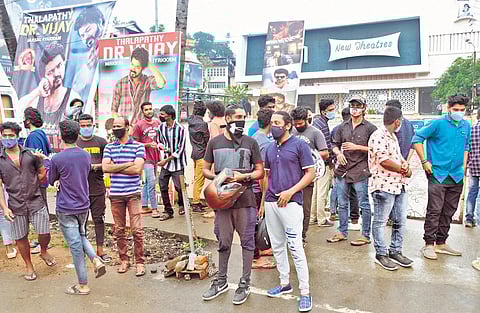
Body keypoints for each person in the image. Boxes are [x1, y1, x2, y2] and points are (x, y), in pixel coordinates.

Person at [201, 104, 264, 305]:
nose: (241, 120)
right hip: (222, 200)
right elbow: (205, 170)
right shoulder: (215, 143)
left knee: (247, 242)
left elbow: (260, 171)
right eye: (237, 116)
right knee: (224, 241)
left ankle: (244, 282)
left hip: (245, 200)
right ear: (227, 119)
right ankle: (221, 281)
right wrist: (220, 177)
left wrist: (244, 175)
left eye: (244, 117)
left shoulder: (251, 142)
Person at [263, 111, 315, 312]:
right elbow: (266, 177)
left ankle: (305, 292)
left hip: (291, 203)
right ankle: (284, 283)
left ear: (287, 125)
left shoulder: (300, 145)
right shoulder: (269, 148)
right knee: (277, 246)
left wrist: (291, 191)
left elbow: (310, 173)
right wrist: (263, 203)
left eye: (277, 122)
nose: (273, 125)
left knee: (295, 248)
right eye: (271, 122)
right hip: (271, 203)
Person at [48, 120, 106, 295]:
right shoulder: (85, 155)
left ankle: (83, 285)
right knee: (81, 236)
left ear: (60, 136)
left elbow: (51, 180)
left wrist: (49, 167)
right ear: (78, 134)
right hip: (83, 204)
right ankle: (95, 259)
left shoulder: (57, 158)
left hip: (66, 206)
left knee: (75, 245)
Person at [413, 94, 471, 260]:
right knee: (435, 210)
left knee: (448, 211)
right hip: (437, 174)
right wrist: (425, 161)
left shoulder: (466, 125)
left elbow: (466, 146)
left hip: (457, 175)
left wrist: (463, 167)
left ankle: (441, 242)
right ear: (448, 108)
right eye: (455, 110)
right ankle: (429, 244)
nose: (459, 112)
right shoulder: (437, 123)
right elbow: (417, 139)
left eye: (462, 110)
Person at [0, 122, 54, 281]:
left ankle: (43, 250)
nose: (8, 139)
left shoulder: (30, 154)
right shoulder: (0, 159)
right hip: (15, 205)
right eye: (5, 136)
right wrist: (4, 208)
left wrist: (41, 171)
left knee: (44, 232)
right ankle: (29, 265)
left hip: (36, 201)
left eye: (11, 135)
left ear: (17, 136)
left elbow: (42, 174)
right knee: (20, 237)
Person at [369, 106, 414, 271]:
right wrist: (404, 170)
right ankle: (381, 254)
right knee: (380, 221)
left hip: (399, 185)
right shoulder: (378, 136)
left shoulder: (392, 137)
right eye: (400, 121)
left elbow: (398, 157)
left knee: (400, 221)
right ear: (397, 121)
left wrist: (405, 165)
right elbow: (384, 161)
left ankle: (395, 251)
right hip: (384, 185)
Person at [327, 96, 377, 246]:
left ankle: (365, 235)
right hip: (343, 169)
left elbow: (376, 149)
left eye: (358, 106)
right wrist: (338, 153)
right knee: (342, 203)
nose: (355, 108)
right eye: (352, 106)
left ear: (364, 108)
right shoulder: (342, 127)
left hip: (360, 170)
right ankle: (342, 231)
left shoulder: (370, 128)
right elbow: (334, 144)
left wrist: (357, 147)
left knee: (364, 203)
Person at [102, 117, 146, 276]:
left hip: (133, 193)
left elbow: (137, 169)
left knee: (137, 230)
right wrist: (128, 164)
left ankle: (140, 262)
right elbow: (105, 167)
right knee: (119, 230)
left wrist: (116, 167)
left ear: (128, 127)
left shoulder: (138, 146)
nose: (115, 129)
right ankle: (124, 260)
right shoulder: (109, 147)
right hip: (115, 195)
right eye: (114, 127)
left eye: (119, 126)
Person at [18, 43, 81, 143]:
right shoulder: (36, 98)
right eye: (50, 72)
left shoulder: (72, 97)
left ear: (64, 63)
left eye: (59, 66)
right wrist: (37, 92)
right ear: (43, 75)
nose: (56, 74)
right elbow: (18, 110)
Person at [290, 106, 328, 243]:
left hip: (307, 178)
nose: (298, 126)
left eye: (301, 123)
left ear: (307, 119)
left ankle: (302, 236)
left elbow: (325, 153)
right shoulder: (290, 131)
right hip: (291, 177)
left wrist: (310, 155)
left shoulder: (315, 133)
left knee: (305, 208)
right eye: (296, 123)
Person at [76, 113, 111, 263]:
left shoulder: (101, 142)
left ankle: (100, 250)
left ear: (93, 125)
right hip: (79, 189)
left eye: (88, 125)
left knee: (99, 219)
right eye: (82, 126)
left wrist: (98, 167)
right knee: (80, 221)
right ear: (78, 127)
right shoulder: (74, 143)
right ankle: (82, 250)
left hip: (97, 188)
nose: (85, 128)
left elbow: (109, 163)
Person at [112, 47, 166, 126]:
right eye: (132, 64)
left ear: (143, 68)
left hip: (142, 129)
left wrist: (148, 63)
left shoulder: (147, 81)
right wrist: (123, 127)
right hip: (126, 130)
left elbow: (161, 83)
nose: (133, 69)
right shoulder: (120, 83)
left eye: (137, 67)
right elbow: (114, 111)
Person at [384, 100, 415, 226]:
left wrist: (403, 162)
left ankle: (393, 218)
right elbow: (413, 144)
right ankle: (397, 218)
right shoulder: (409, 124)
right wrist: (407, 161)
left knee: (392, 192)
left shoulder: (396, 125)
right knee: (401, 191)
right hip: (403, 163)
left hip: (394, 164)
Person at [155, 105, 188, 221]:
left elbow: (181, 149)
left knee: (179, 187)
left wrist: (166, 159)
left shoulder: (181, 129)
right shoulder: (161, 127)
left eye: (163, 114)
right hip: (166, 164)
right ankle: (168, 210)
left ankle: (182, 204)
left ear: (169, 115)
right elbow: (158, 141)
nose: (160, 116)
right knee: (162, 185)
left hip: (177, 163)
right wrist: (161, 147)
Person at [329, 107, 359, 225]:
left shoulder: (336, 129)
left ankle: (333, 213)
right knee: (353, 193)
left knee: (337, 191)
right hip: (352, 166)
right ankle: (354, 218)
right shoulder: (353, 129)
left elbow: (332, 146)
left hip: (339, 165)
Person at [132, 102, 161, 217]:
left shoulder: (158, 123)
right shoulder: (139, 125)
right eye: (146, 109)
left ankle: (144, 206)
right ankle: (154, 208)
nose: (149, 111)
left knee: (148, 182)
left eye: (150, 109)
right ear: (142, 112)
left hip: (156, 157)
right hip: (145, 158)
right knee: (152, 182)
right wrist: (147, 145)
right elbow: (134, 143)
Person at [311, 99, 337, 227]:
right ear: (323, 112)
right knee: (322, 192)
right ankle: (321, 218)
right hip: (323, 163)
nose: (333, 112)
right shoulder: (322, 125)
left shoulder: (317, 123)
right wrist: (331, 161)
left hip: (314, 162)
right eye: (331, 110)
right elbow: (326, 147)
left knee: (315, 192)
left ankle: (312, 217)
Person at [72, 5, 105, 99]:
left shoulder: (113, 42)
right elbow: (77, 89)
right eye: (82, 36)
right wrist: (89, 66)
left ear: (100, 23)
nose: (86, 36)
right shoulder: (89, 57)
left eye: (88, 30)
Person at [23, 107, 52, 209]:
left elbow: (33, 158)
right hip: (42, 175)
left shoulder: (33, 136)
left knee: (40, 205)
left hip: (37, 176)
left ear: (28, 120)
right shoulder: (41, 133)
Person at [187, 101, 210, 213]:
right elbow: (207, 139)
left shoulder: (190, 121)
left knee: (197, 178)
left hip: (194, 152)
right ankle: (195, 203)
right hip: (202, 153)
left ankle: (196, 201)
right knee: (199, 180)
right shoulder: (203, 124)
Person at [465, 109, 480, 228]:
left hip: (474, 166)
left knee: (472, 193)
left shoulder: (471, 130)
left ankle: (469, 219)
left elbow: (467, 149)